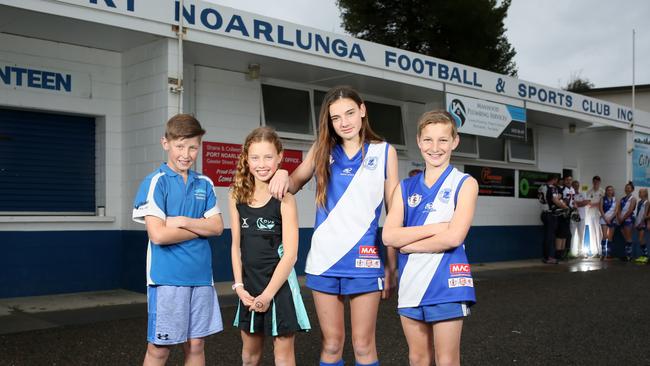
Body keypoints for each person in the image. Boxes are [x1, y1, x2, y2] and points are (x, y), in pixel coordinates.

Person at [269, 86, 400, 366]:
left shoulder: (384, 152)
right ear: (329, 122)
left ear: (362, 110)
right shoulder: (321, 149)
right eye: (336, 117)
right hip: (323, 260)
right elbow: (293, 183)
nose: (345, 122)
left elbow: (394, 213)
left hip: (365, 260)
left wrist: (392, 264)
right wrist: (281, 172)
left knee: (364, 346)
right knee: (331, 344)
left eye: (350, 113)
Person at [382, 110, 478, 366]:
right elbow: (389, 235)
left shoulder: (465, 183)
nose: (435, 148)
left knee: (447, 360)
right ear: (418, 141)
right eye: (428, 140)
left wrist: (408, 245)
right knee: (418, 358)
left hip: (447, 282)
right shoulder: (404, 187)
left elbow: (454, 237)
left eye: (443, 140)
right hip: (411, 282)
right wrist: (437, 227)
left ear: (454, 142)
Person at [132, 114, 225, 366]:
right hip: (167, 280)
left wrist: (181, 220)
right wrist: (200, 227)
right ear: (166, 143)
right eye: (180, 146)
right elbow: (159, 235)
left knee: (196, 344)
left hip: (202, 278)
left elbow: (217, 227)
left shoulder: (204, 184)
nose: (186, 153)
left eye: (193, 147)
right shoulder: (155, 182)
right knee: (160, 348)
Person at [228, 127, 310, 366]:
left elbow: (291, 254)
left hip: (279, 287)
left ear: (279, 157)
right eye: (255, 157)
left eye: (268, 157)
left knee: (283, 358)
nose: (261, 164)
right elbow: (235, 246)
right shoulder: (236, 195)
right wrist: (239, 286)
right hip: (249, 286)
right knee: (249, 356)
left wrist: (268, 294)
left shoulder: (285, 198)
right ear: (246, 158)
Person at [538, 174, 567, 264]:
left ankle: (545, 256)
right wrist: (565, 207)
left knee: (547, 236)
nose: (557, 182)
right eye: (556, 180)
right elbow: (555, 200)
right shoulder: (552, 187)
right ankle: (547, 258)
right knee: (549, 237)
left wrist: (557, 198)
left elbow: (551, 198)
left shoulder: (542, 187)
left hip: (543, 213)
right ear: (554, 180)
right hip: (550, 214)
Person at [583, 176, 605, 256]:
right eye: (594, 181)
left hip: (599, 214)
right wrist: (590, 204)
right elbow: (587, 202)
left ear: (599, 182)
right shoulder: (589, 191)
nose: (596, 183)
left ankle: (601, 251)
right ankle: (594, 251)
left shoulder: (602, 192)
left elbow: (602, 203)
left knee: (599, 232)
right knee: (592, 232)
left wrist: (594, 204)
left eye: (597, 182)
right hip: (590, 214)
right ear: (593, 182)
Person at [556, 175, 575, 260]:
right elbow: (557, 199)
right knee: (561, 234)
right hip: (562, 213)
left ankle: (563, 253)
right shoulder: (561, 189)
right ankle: (559, 254)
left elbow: (573, 201)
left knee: (566, 235)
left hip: (569, 212)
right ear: (564, 181)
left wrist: (574, 208)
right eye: (567, 180)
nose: (569, 181)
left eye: (570, 180)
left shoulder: (572, 189)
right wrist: (563, 204)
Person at [616, 182, 637, 261]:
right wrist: (618, 217)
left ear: (632, 189)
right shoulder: (622, 199)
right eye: (626, 187)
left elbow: (630, 210)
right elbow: (619, 209)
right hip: (621, 219)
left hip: (628, 219)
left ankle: (629, 256)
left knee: (628, 237)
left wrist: (623, 218)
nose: (627, 189)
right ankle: (627, 254)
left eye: (629, 188)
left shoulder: (633, 199)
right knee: (625, 237)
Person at [599, 185, 617, 260]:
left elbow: (616, 210)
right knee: (605, 236)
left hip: (612, 219)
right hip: (604, 219)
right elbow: (600, 209)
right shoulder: (602, 199)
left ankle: (608, 253)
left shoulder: (615, 199)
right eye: (608, 190)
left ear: (613, 191)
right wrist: (605, 218)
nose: (610, 191)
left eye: (611, 190)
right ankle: (603, 253)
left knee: (610, 237)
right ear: (606, 191)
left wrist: (611, 218)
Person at [634, 188, 649, 264]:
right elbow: (637, 214)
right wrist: (636, 223)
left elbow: (645, 214)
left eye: (641, 192)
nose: (639, 193)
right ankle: (644, 255)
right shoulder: (639, 202)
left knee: (641, 239)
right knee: (640, 239)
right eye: (639, 192)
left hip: (643, 223)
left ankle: (645, 255)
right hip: (638, 222)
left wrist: (642, 222)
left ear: (645, 193)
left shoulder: (647, 202)